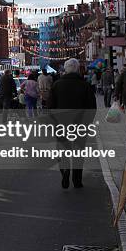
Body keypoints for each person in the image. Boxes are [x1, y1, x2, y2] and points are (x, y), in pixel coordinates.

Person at [49, 58, 97, 189]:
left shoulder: (57, 85)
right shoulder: (85, 85)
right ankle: (77, 180)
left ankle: (65, 170)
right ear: (77, 69)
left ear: (65, 69)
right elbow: (92, 107)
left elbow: (50, 107)